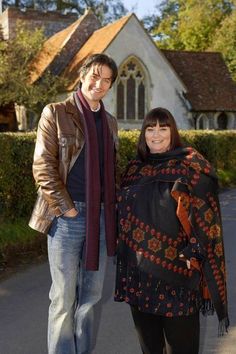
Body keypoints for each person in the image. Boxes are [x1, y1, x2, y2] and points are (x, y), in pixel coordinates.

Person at [114, 107, 229, 354]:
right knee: (150, 349)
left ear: (172, 132)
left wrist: (194, 252)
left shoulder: (191, 167)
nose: (156, 134)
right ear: (143, 133)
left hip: (178, 277)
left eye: (163, 128)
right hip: (140, 278)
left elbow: (208, 219)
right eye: (150, 128)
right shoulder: (133, 170)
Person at [29, 53, 118, 354]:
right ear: (82, 75)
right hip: (67, 217)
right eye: (95, 75)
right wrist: (67, 208)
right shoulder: (55, 112)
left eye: (107, 80)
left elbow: (111, 172)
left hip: (102, 217)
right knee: (64, 297)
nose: (100, 83)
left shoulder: (109, 122)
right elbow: (43, 168)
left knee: (91, 296)